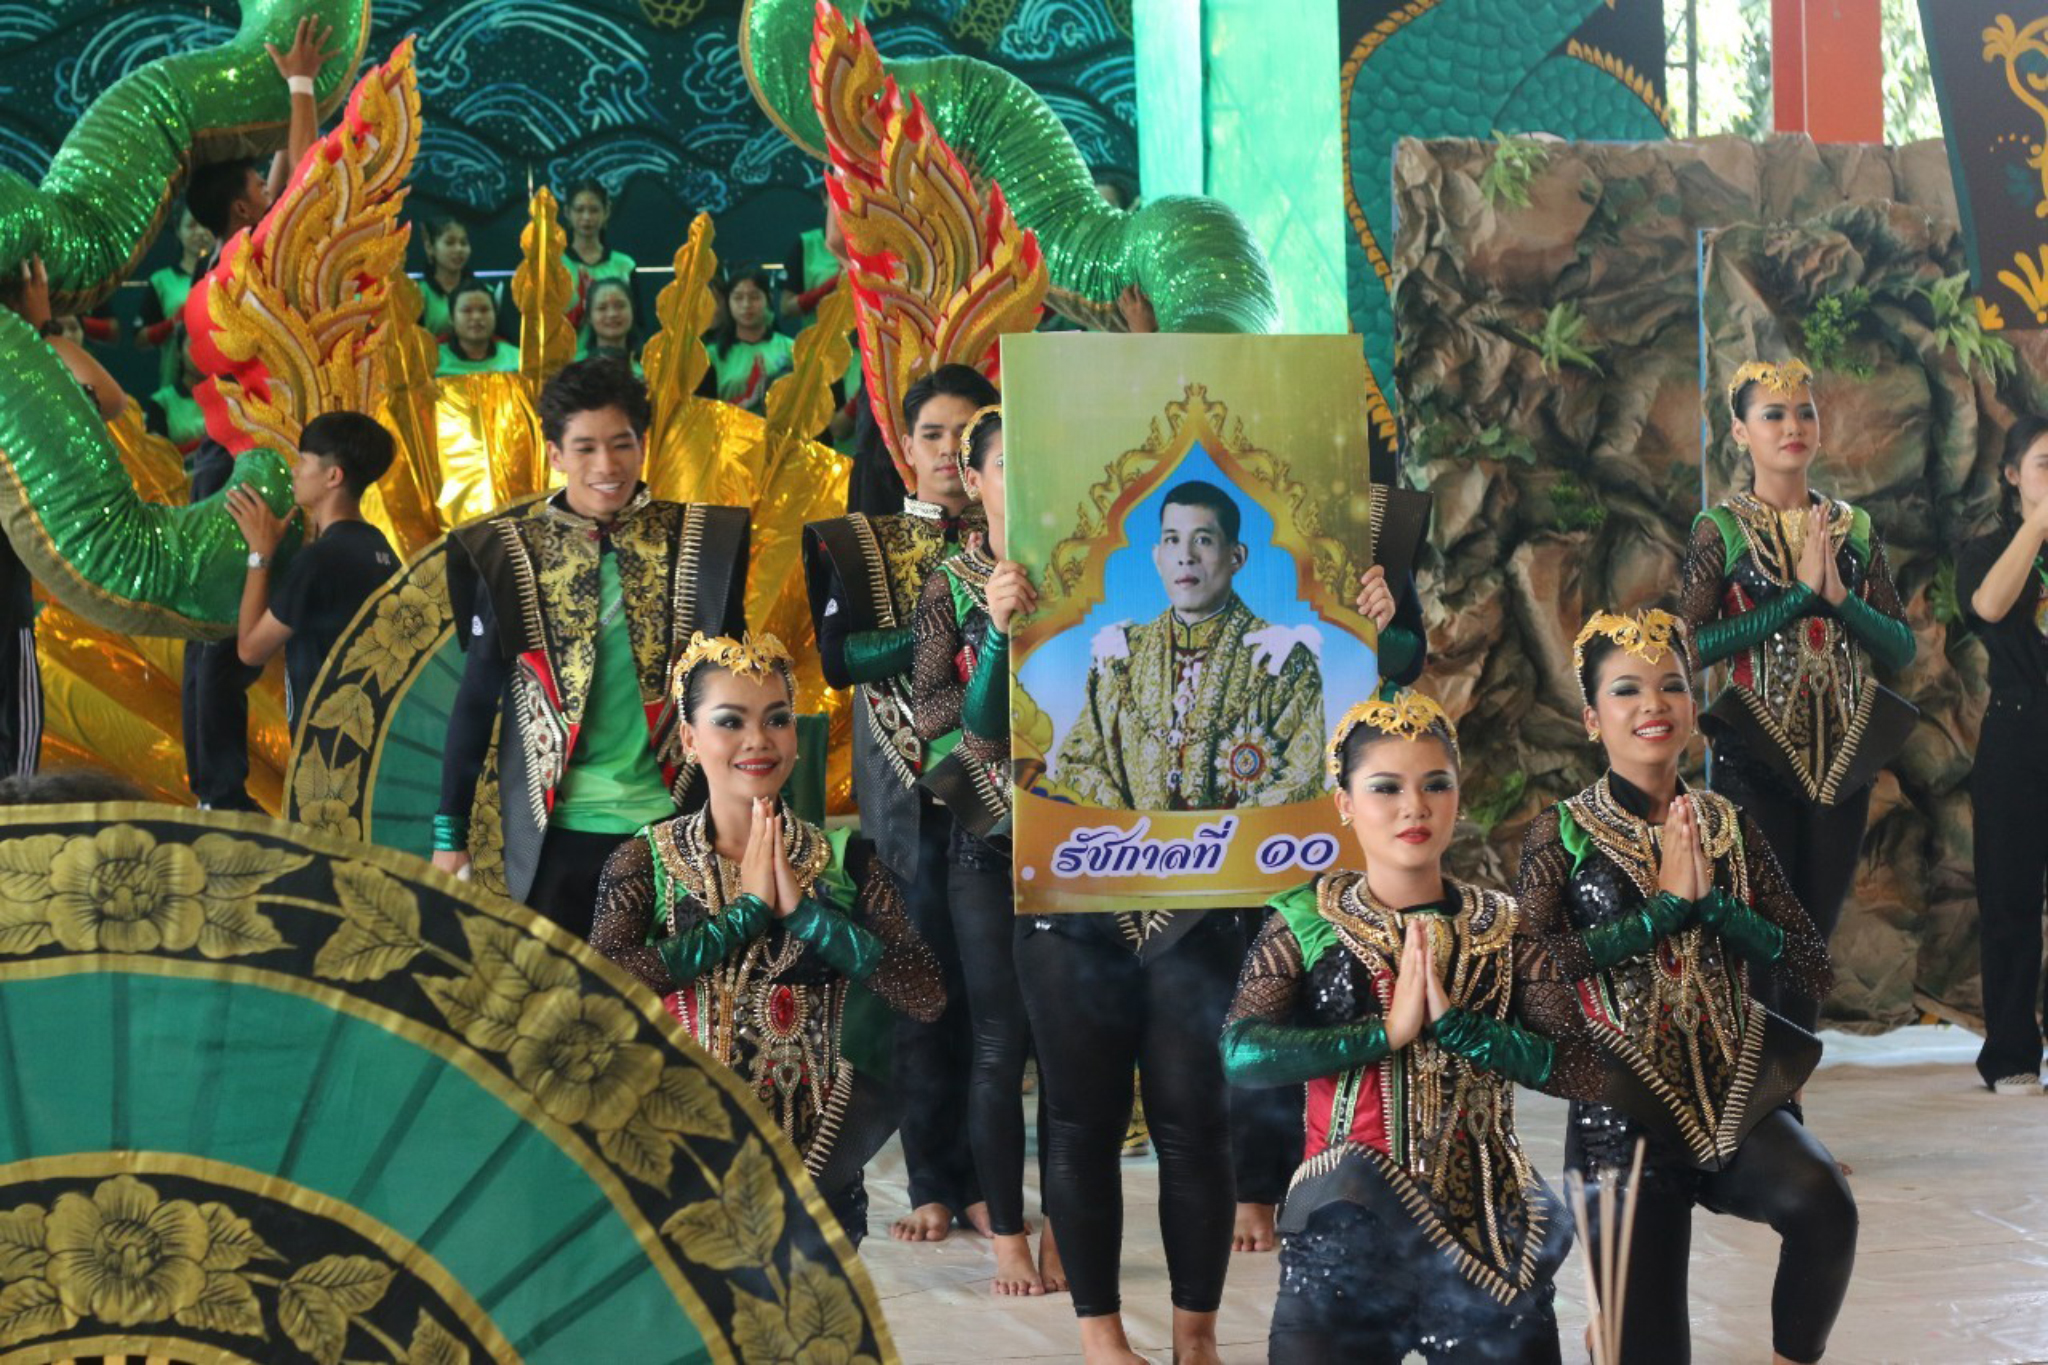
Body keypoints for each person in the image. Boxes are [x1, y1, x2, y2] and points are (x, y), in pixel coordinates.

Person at [1513, 607, 1856, 1365]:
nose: (1654, 705)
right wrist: (1659, 914)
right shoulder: (1559, 834)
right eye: (1627, 690)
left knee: (1825, 1206)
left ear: (1694, 710)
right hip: (1620, 1115)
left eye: (1671, 686)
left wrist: (1720, 912)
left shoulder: (1729, 824)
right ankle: (1617, 1323)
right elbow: (1529, 977)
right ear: (1591, 718)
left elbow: (1811, 963)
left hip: (1733, 1097)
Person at [1223, 689, 1578, 1363]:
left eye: (1434, 784)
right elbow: (1242, 1053)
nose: (1414, 807)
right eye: (1386, 787)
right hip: (1343, 1231)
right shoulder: (1307, 922)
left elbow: (1578, 1063)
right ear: (1345, 803)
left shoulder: (1505, 926)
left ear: (1456, 795)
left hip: (1489, 1233)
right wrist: (1382, 1034)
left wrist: (1463, 1028)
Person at [590, 632, 944, 1245]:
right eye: (731, 721)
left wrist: (808, 917)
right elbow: (595, 988)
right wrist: (743, 916)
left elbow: (925, 993)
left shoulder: (844, 860)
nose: (758, 740)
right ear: (690, 739)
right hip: (687, 1169)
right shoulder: (644, 862)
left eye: (776, 719)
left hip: (819, 1172)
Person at [434, 359, 749, 933]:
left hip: (675, 826)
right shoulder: (508, 556)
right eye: (584, 448)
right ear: (554, 454)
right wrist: (448, 836)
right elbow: (478, 700)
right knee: (561, 1011)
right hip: (557, 835)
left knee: (668, 1016)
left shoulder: (704, 545)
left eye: (621, 444)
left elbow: (738, 694)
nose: (607, 465)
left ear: (643, 444)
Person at [802, 363, 997, 1244]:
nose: (951, 453)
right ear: (902, 446)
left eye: (968, 435)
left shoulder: (1017, 541)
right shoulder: (856, 542)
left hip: (996, 791)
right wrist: (951, 619)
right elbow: (840, 660)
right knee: (921, 992)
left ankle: (987, 1181)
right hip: (901, 791)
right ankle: (929, 1181)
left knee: (993, 998)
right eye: (933, 436)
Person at [1678, 358, 1916, 1039]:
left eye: (1805, 412)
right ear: (1739, 432)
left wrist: (1838, 600)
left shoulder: (1853, 527)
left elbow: (1899, 647)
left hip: (1842, 760)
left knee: (1812, 937)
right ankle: (1767, 1114)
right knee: (1764, 935)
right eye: (1773, 415)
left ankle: (1790, 1105)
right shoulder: (1718, 529)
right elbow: (1690, 646)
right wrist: (1794, 602)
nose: (1793, 426)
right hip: (1754, 752)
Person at [908, 405, 1064, 1293]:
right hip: (987, 837)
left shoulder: (1091, 571)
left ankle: (1069, 1227)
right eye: (1008, 463)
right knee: (1001, 1041)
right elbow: (930, 715)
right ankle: (1007, 1228)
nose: (1026, 477)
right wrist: (995, 633)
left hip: (1087, 838)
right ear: (975, 481)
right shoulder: (951, 585)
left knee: (1073, 1044)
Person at [178, 13, 340, 812]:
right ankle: (220, 790)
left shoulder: (223, 257)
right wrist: (303, 81)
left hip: (221, 454)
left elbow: (283, 186)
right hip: (245, 462)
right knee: (224, 628)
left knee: (219, 626)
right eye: (256, 189)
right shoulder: (249, 261)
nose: (267, 190)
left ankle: (217, 785)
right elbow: (308, 181)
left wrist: (289, 93)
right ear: (245, 212)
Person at [1054, 479, 1326, 810]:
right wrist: (1138, 832)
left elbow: (1302, 776)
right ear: (1157, 557)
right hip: (1135, 854)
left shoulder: (1280, 658)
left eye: (1203, 540)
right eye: (1172, 540)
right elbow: (1079, 762)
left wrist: (1215, 842)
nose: (1185, 556)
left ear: (1236, 556)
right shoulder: (1121, 656)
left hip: (1241, 855)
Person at [1958, 415, 2048, 1093]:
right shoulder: (1988, 548)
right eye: (2044, 464)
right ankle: (2013, 1052)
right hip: (2018, 735)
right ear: (2014, 473)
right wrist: (2039, 526)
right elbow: (1989, 606)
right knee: (2010, 898)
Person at [223, 412, 399, 728]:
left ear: (332, 477)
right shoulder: (380, 547)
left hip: (326, 751)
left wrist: (260, 556)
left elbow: (250, 650)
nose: (294, 471)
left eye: (303, 462)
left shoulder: (319, 560)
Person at [135, 209, 215, 388]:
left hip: (223, 386)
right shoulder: (161, 280)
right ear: (178, 231)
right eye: (191, 226)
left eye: (206, 224)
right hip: (175, 386)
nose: (201, 232)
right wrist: (171, 324)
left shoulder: (228, 271)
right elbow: (140, 340)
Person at [702, 268, 795, 414]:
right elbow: (705, 412)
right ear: (728, 303)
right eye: (738, 298)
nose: (746, 305)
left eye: (754, 297)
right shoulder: (711, 355)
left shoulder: (791, 349)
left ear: (769, 299)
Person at [562, 179, 637, 326]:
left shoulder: (624, 265)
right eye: (579, 210)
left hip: (615, 348)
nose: (587, 217)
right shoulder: (554, 264)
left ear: (606, 212)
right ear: (567, 212)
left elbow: (636, 323)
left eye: (594, 210)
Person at [435, 281, 519, 376]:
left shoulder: (517, 359)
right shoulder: (432, 361)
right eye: (467, 310)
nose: (476, 317)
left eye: (484, 310)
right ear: (451, 318)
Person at [416, 214, 478, 339]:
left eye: (464, 243)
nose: (459, 249)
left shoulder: (484, 292)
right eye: (450, 243)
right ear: (430, 248)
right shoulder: (417, 294)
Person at [576, 277, 641, 370]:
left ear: (633, 311)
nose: (612, 314)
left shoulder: (649, 367)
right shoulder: (576, 370)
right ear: (589, 317)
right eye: (602, 308)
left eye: (620, 306)